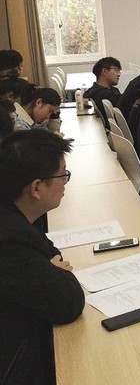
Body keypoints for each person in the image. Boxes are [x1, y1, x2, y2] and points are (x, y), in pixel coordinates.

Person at [0, 130, 84, 384]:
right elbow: (69, 302)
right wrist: (54, 270)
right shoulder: (10, 241)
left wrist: (49, 264)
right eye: (62, 175)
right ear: (36, 187)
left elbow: (47, 247)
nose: (65, 182)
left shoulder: (14, 210)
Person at [84, 56, 122, 130]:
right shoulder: (102, 95)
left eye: (119, 71)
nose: (119, 74)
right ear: (104, 71)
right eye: (116, 70)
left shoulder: (96, 90)